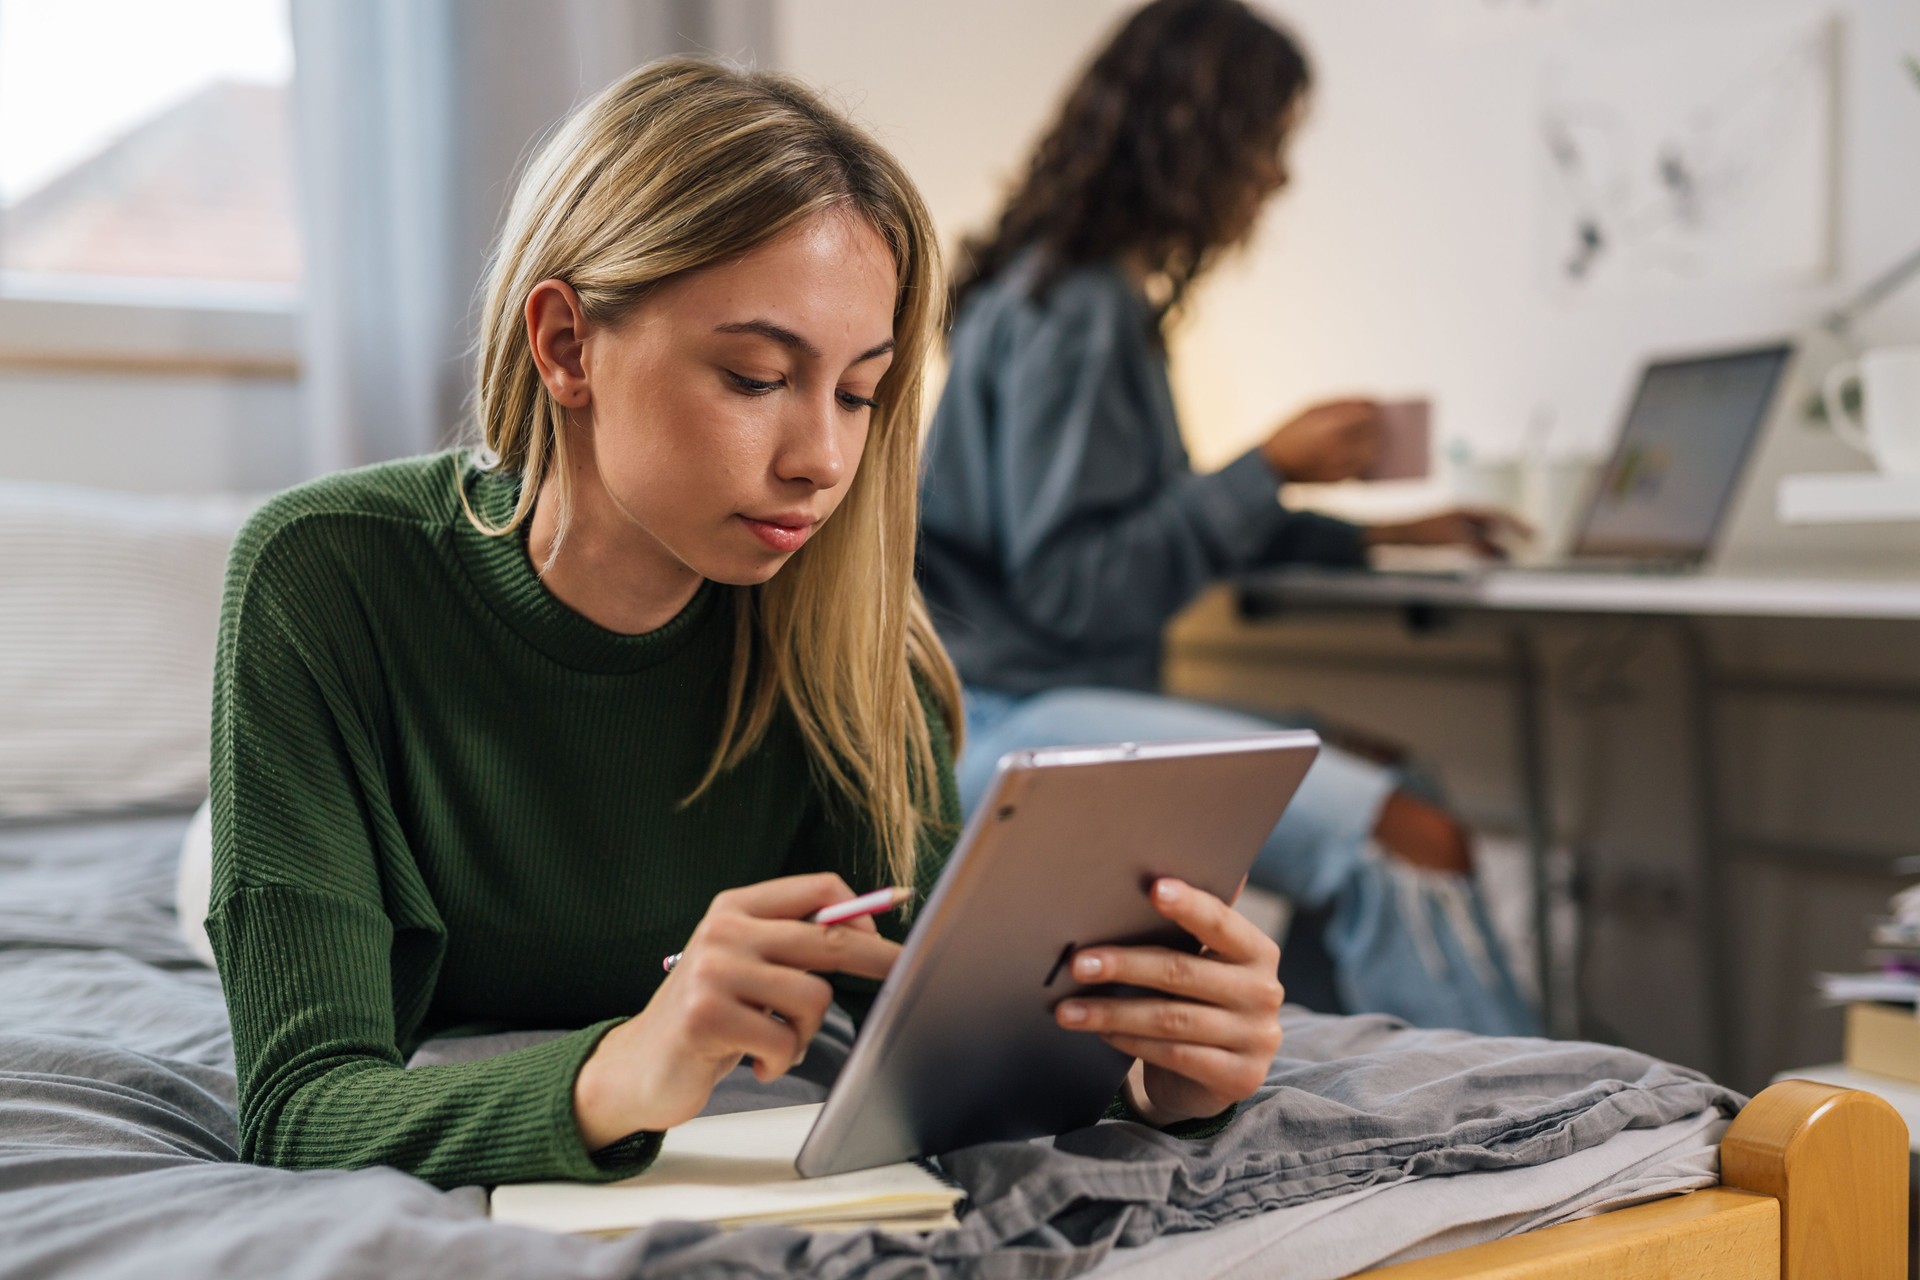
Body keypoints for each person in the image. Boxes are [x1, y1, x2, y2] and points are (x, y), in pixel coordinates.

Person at [206, 57, 1288, 1191]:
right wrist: (620, 1071)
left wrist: (1159, 1079)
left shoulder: (857, 644)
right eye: (757, 376)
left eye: (860, 392)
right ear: (567, 344)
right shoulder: (321, 573)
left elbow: (938, 1043)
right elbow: (298, 1103)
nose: (821, 460)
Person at [918, 0, 1538, 1034]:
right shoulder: (1079, 308)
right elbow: (1073, 585)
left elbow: (1130, 523)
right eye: (1269, 144)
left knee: (1395, 776)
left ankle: (1360, 1101)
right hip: (1016, 722)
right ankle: (1535, 1138)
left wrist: (1379, 533)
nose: (1277, 177)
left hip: (1024, 702)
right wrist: (1266, 466)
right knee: (1402, 830)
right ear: (1197, 139)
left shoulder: (1060, 290)